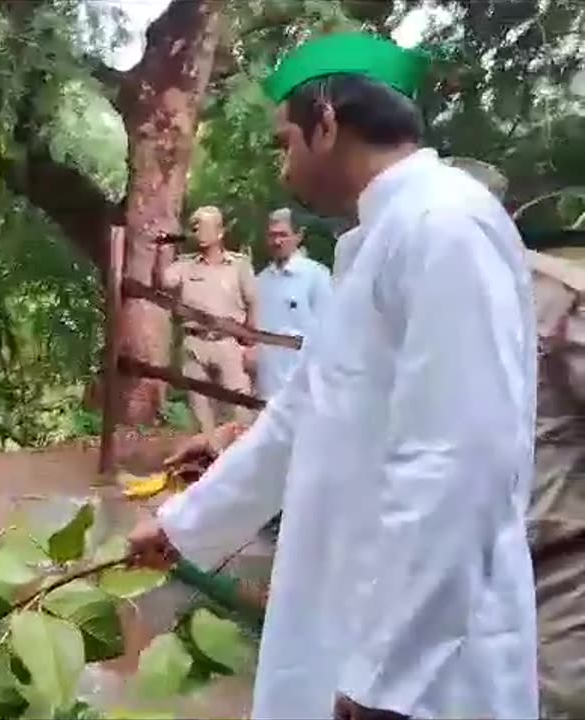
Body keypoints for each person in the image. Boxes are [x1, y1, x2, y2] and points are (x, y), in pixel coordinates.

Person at [128, 31, 539, 720]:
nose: (282, 165)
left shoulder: (445, 227)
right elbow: (299, 416)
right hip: (354, 614)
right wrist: (182, 526)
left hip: (428, 669)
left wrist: (386, 677)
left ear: (326, 122)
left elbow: (458, 460)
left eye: (286, 140)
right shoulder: (378, 240)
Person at [444, 155, 585, 719]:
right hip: (459, 571)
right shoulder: (423, 297)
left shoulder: (555, 297)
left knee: (553, 704)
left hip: (556, 567)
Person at [162, 205, 258, 439]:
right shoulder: (184, 265)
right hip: (195, 344)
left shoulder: (239, 265)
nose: (198, 232)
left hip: (229, 344)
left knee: (240, 408)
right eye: (195, 227)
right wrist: (162, 248)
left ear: (219, 232)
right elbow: (163, 282)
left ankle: (239, 462)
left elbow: (253, 303)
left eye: (204, 227)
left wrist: (251, 346)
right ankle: (208, 461)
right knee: (201, 411)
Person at [253, 208, 332, 398]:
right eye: (272, 235)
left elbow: (329, 330)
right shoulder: (261, 280)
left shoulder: (316, 276)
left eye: (283, 235)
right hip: (267, 384)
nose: (277, 241)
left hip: (305, 386)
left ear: (299, 236)